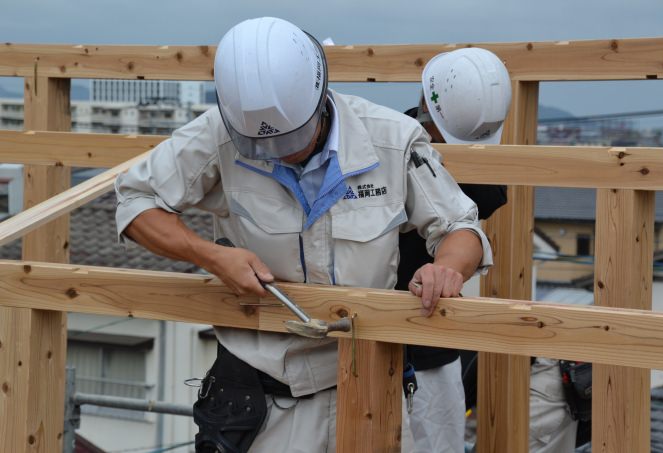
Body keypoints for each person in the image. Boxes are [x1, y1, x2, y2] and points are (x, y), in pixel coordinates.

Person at [114, 17, 492, 453]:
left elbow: (460, 226)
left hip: (371, 383)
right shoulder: (217, 133)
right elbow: (136, 201)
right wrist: (210, 256)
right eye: (260, 145)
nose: (281, 152)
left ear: (320, 97)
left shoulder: (392, 139)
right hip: (270, 398)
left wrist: (446, 268)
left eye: (294, 137)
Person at [398, 48, 578, 453]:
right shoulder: (393, 146)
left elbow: (487, 200)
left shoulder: (471, 164)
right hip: (385, 330)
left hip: (432, 336)